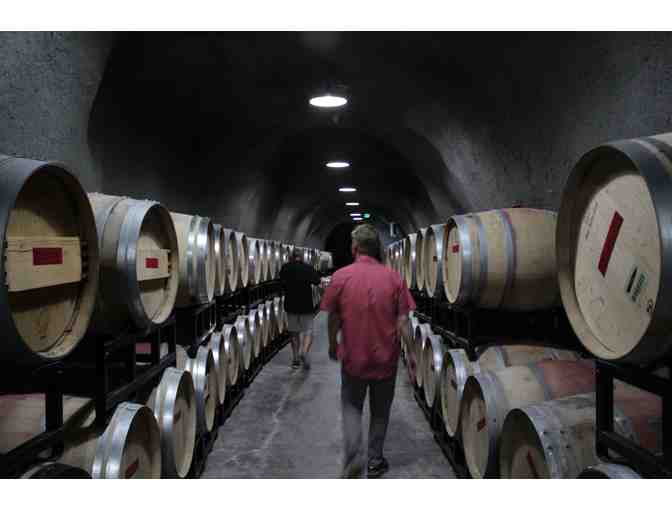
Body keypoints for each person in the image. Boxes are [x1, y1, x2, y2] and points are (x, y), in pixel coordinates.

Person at [320, 224, 415, 478]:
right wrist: (412, 354)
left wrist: (332, 344)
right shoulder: (394, 278)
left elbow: (333, 317)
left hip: (353, 358)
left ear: (355, 247)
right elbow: (403, 321)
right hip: (385, 359)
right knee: (380, 411)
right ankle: (374, 461)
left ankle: (353, 456)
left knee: (352, 406)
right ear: (377, 248)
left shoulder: (341, 276)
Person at [279, 247, 322, 369]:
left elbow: (281, 283)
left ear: (291, 256)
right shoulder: (308, 268)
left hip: (291, 304)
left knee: (294, 333)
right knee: (308, 331)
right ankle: (304, 352)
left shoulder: (285, 268)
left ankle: (295, 358)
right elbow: (317, 281)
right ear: (302, 257)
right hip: (306, 305)